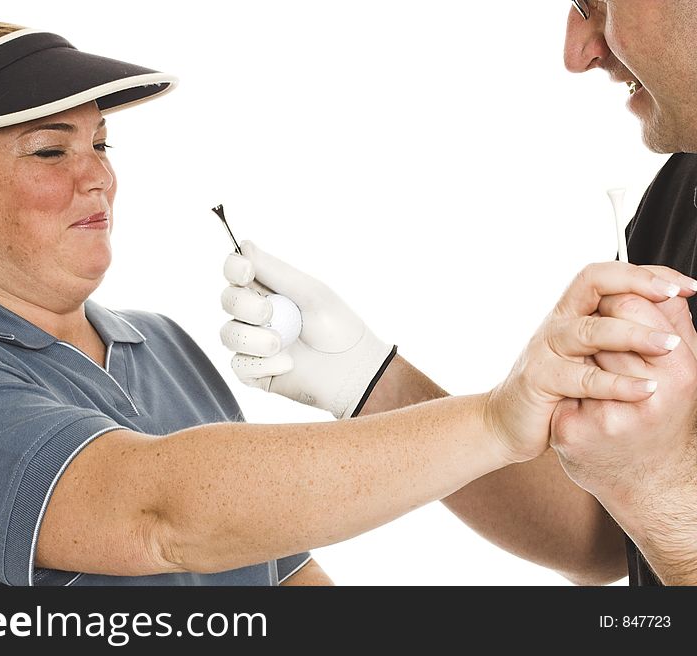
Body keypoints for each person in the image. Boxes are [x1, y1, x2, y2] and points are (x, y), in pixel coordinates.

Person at [0, 21, 693, 587]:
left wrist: (372, 380)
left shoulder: (159, 347)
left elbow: (285, 578)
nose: (99, 174)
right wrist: (500, 418)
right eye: (50, 150)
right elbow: (159, 516)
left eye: (102, 141)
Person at [219, 0, 697, 586]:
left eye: (595, 5)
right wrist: (373, 380)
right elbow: (605, 535)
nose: (577, 53)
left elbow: (660, 509)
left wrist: (662, 493)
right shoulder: (683, 191)